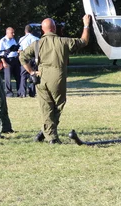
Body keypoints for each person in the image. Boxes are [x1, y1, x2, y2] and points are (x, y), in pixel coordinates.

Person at [20, 15, 92, 144]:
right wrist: (86, 25)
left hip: (41, 78)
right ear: (54, 28)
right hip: (57, 77)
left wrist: (31, 71)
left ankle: (46, 132)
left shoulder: (37, 44)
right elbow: (84, 41)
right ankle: (51, 137)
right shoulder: (63, 42)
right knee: (58, 106)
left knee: (46, 107)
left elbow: (22, 57)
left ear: (43, 30)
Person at [18, 25, 40, 97]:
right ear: (32, 31)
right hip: (33, 58)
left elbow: (19, 50)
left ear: (25, 31)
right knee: (33, 73)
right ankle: (32, 92)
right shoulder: (36, 39)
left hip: (25, 58)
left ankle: (23, 92)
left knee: (23, 75)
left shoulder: (21, 39)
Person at [0, 27, 21, 97]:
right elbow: (1, 53)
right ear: (7, 33)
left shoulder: (13, 40)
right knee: (8, 77)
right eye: (12, 33)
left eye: (14, 32)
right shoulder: (3, 41)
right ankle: (9, 93)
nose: (13, 34)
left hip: (15, 59)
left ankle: (19, 92)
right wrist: (4, 62)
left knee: (18, 76)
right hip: (8, 60)